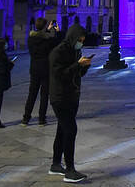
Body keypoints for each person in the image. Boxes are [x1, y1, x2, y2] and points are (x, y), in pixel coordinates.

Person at [48, 23, 90, 183]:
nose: (81, 42)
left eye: (83, 40)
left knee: (62, 130)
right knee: (71, 130)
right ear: (73, 37)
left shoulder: (75, 50)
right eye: (79, 39)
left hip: (72, 95)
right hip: (60, 97)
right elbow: (60, 75)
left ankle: (56, 164)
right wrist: (77, 65)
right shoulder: (57, 53)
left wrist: (84, 66)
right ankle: (70, 170)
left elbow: (77, 73)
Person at [22, 18, 58, 126]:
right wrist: (56, 31)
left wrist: (47, 30)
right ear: (44, 27)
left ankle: (26, 118)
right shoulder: (47, 41)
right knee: (44, 95)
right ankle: (41, 119)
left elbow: (40, 37)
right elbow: (56, 42)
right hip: (45, 69)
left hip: (34, 69)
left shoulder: (30, 39)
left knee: (32, 94)